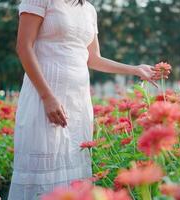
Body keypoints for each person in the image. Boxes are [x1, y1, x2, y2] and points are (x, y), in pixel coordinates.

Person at [8, 0, 158, 199]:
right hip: (44, 97)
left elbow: (93, 58)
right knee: (45, 167)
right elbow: (23, 47)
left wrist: (134, 69)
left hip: (78, 102)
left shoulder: (88, 9)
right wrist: (47, 97)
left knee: (73, 167)